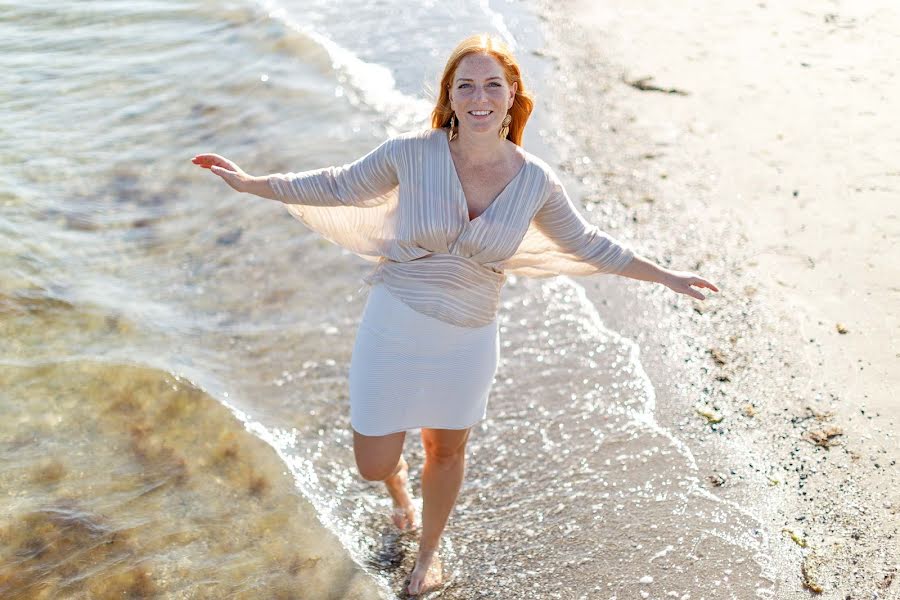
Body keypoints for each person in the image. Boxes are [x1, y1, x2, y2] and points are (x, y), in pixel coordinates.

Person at [192, 33, 718, 596]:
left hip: (467, 340)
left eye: (493, 85)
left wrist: (665, 275)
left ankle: (429, 553)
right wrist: (252, 184)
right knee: (373, 461)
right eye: (465, 85)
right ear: (450, 95)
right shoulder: (410, 153)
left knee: (446, 449)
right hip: (392, 325)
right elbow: (336, 185)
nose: (479, 97)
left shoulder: (536, 182)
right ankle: (399, 494)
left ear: (513, 95)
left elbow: (588, 244)